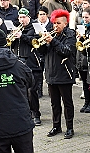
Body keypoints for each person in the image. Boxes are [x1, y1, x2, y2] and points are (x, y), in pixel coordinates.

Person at [38, 9, 76, 139]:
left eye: (58, 23)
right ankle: (56, 126)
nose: (55, 26)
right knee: (54, 103)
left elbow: (66, 51)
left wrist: (52, 41)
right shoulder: (51, 35)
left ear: (65, 24)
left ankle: (70, 128)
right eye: (54, 23)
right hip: (51, 73)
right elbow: (42, 52)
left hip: (64, 74)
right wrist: (42, 42)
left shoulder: (70, 35)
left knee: (67, 103)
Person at [11, 8, 42, 126]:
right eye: (20, 17)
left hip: (32, 63)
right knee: (21, 90)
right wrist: (13, 38)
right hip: (19, 62)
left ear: (29, 17)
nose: (21, 20)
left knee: (32, 90)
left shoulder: (35, 27)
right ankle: (27, 113)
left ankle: (36, 114)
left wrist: (22, 36)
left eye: (24, 17)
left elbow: (36, 41)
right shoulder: (17, 28)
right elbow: (11, 45)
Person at [77, 7, 90, 113]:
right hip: (82, 59)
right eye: (83, 17)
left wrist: (85, 37)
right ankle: (86, 101)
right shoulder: (83, 27)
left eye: (86, 17)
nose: (84, 19)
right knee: (85, 83)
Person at [36, 6, 53, 98]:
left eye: (43, 14)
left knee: (48, 71)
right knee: (39, 72)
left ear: (47, 15)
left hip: (48, 50)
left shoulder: (51, 25)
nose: (41, 16)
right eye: (40, 14)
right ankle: (39, 90)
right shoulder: (35, 24)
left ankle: (51, 90)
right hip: (38, 50)